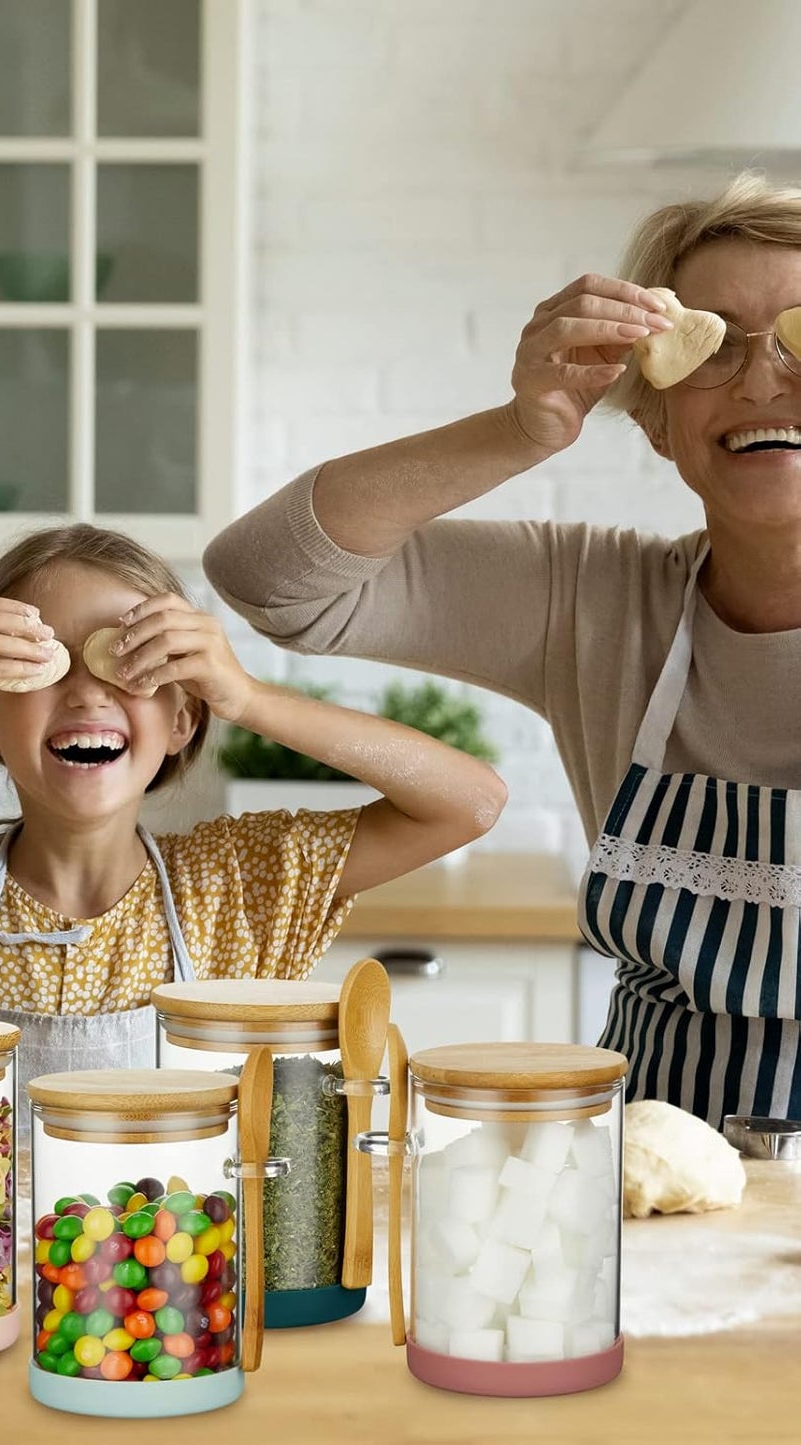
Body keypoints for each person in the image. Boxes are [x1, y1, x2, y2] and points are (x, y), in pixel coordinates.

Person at [203, 172, 801, 1129]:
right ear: (655, 418)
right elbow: (269, 578)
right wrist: (521, 429)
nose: (764, 377)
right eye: (715, 345)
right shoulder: (593, 600)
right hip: (659, 1170)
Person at [0, 524, 506, 1106]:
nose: (85, 691)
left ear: (182, 719)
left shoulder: (242, 884)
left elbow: (470, 801)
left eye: (129, 662)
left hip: (178, 1302)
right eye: (40, 664)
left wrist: (248, 696)